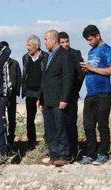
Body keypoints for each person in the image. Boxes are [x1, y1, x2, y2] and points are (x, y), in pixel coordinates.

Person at [78, 25, 111, 166]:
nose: (89, 42)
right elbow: (92, 70)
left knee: (102, 125)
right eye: (87, 40)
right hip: (90, 94)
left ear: (98, 36)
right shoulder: (91, 52)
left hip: (104, 94)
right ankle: (90, 154)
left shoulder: (108, 50)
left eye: (90, 39)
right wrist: (85, 70)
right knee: (88, 125)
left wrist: (91, 68)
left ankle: (103, 153)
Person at [38, 29, 74, 166]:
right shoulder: (48, 56)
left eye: (46, 39)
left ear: (53, 40)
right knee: (50, 129)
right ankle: (54, 155)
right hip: (47, 99)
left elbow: (68, 78)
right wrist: (40, 98)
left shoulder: (65, 55)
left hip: (59, 99)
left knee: (61, 128)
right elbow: (45, 79)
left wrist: (64, 99)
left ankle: (64, 155)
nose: (45, 42)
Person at [58, 32, 85, 160]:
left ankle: (74, 152)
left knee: (71, 123)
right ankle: (62, 152)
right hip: (57, 96)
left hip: (72, 95)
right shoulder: (55, 55)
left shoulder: (75, 53)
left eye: (67, 41)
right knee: (60, 124)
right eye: (62, 42)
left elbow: (81, 74)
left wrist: (74, 90)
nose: (65, 44)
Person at [0, 41, 22, 150]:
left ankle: (11, 138)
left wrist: (17, 91)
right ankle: (3, 139)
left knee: (12, 118)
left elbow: (19, 77)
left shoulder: (14, 63)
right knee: (1, 118)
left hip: (11, 95)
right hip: (0, 95)